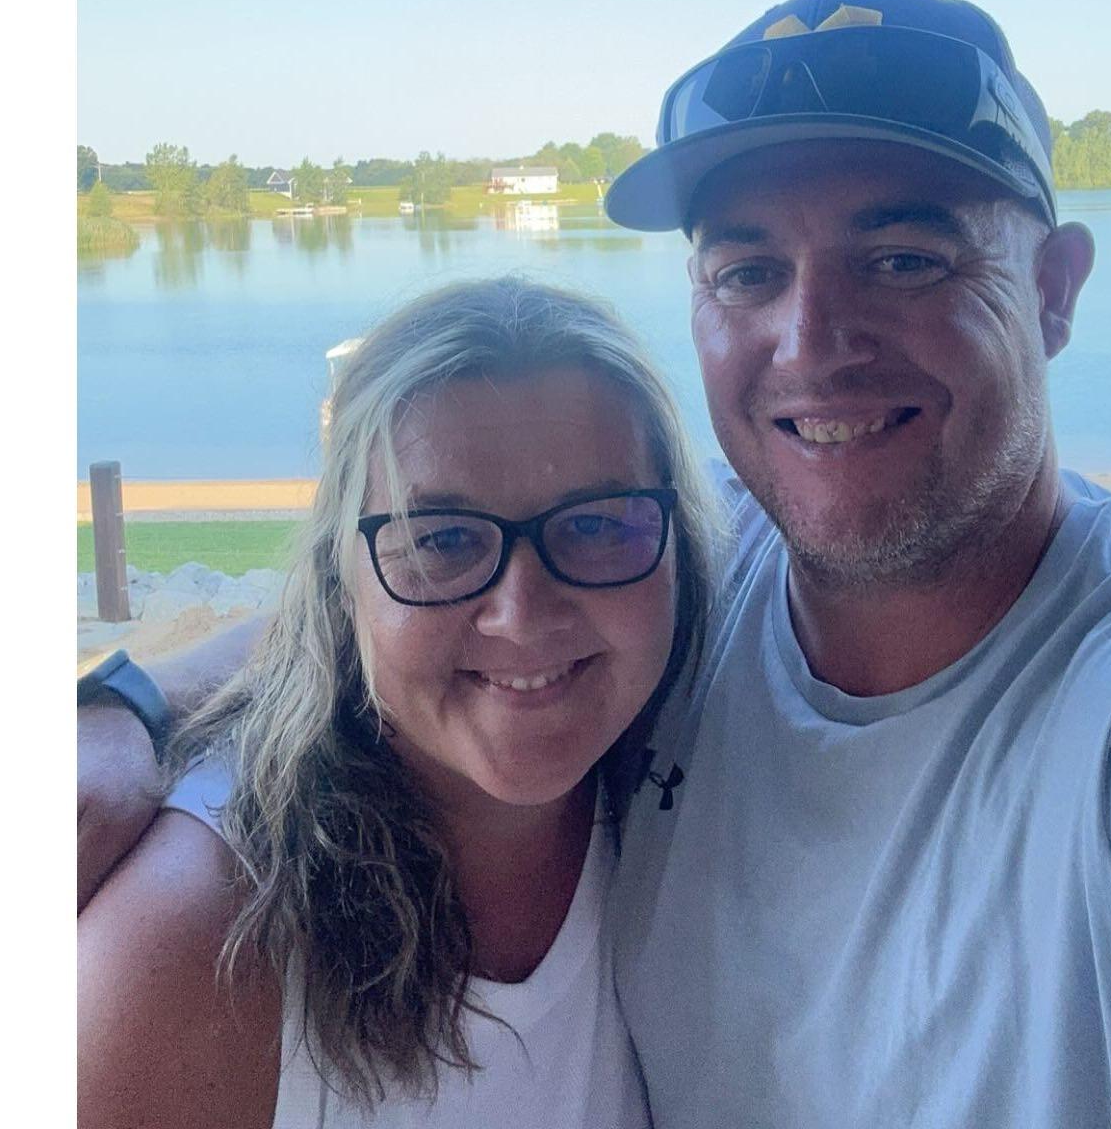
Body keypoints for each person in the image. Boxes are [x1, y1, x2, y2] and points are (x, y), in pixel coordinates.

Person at [80, 0, 1111, 1128]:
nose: (811, 340)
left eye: (903, 259)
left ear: (1053, 290)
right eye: (749, 270)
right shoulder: (673, 561)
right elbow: (407, 596)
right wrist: (127, 707)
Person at [78, 277, 720, 1128]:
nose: (522, 616)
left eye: (597, 525)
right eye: (443, 540)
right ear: (339, 583)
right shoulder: (198, 940)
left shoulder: (676, 777)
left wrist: (130, 701)